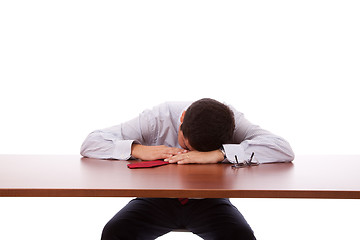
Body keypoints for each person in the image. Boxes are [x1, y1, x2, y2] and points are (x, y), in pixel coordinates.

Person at [81, 98, 294, 240]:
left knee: (241, 236)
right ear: (181, 120)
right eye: (186, 146)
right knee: (115, 233)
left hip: (209, 201)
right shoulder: (158, 118)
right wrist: (138, 149)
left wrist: (218, 154)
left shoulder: (233, 121)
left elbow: (282, 149)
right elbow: (91, 143)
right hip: (156, 198)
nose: (188, 153)